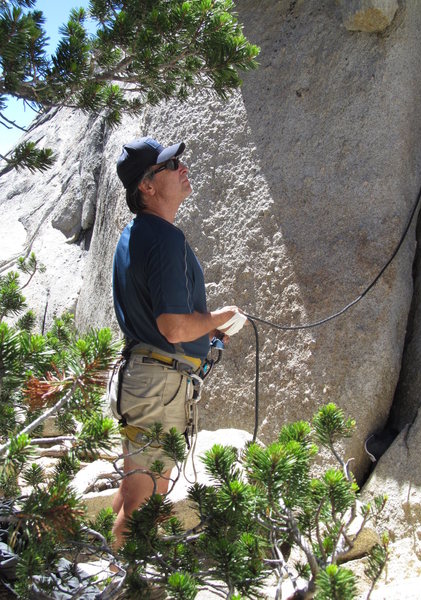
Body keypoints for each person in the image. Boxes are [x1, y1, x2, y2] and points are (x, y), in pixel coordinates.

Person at [110, 136, 246, 546]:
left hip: (142, 378)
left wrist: (206, 328)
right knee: (146, 499)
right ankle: (124, 581)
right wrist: (219, 318)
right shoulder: (165, 238)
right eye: (170, 166)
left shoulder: (136, 234)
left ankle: (111, 568)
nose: (182, 167)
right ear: (146, 187)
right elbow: (172, 327)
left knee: (135, 491)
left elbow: (160, 323)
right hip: (157, 385)